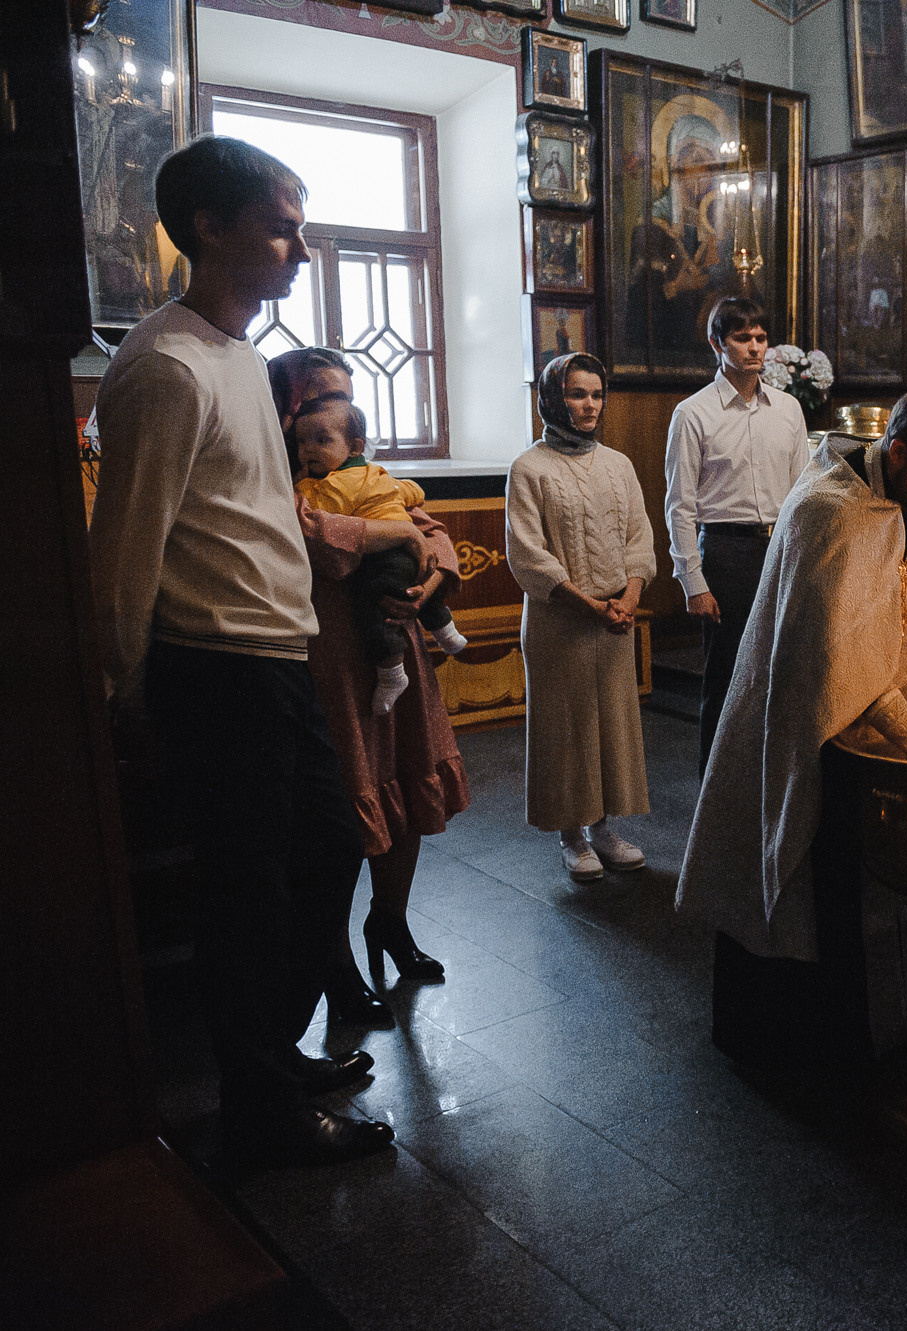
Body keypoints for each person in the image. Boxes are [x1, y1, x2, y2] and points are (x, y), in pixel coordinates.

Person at [89, 135, 403, 1167]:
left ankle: (275, 1049)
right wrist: (123, 691)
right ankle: (260, 1108)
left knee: (325, 849)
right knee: (246, 894)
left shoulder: (240, 360)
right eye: (282, 226)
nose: (301, 249)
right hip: (214, 670)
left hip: (278, 659)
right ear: (210, 230)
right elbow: (126, 547)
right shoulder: (166, 367)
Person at [676, 386, 907, 1067]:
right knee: (799, 882)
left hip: (861, 721)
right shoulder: (825, 512)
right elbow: (826, 663)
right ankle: (794, 1055)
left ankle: (858, 1036)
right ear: (896, 451)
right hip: (806, 724)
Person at [269, 347, 471, 1020]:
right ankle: (333, 962)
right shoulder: (284, 475)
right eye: (319, 400)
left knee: (408, 787)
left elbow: (429, 531)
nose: (332, 414)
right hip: (331, 653)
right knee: (346, 807)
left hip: (397, 641)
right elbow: (321, 543)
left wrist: (431, 576)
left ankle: (390, 920)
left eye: (344, 402)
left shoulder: (360, 471)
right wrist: (392, 533)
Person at [506, 352, 658, 883]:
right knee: (567, 727)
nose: (589, 405)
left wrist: (629, 598)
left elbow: (639, 537)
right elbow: (528, 554)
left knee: (612, 723)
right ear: (553, 398)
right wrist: (590, 606)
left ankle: (606, 829)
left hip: (615, 616)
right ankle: (572, 836)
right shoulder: (530, 467)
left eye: (596, 394)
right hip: (561, 620)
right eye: (577, 394)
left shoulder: (618, 463)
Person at [662, 297, 811, 772]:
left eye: (760, 338)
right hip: (724, 553)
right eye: (741, 339)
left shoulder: (787, 409)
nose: (753, 348)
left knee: (780, 674)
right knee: (725, 680)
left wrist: (803, 561)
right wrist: (693, 581)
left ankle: (766, 782)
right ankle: (715, 788)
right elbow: (680, 505)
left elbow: (802, 491)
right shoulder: (693, 413)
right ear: (716, 344)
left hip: (780, 549)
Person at [292, 398, 467, 716]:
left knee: (374, 601)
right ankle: (446, 631)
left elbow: (433, 534)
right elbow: (316, 530)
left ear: (354, 445)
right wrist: (406, 531)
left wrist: (426, 587)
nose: (308, 450)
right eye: (302, 441)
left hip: (381, 571)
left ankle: (391, 671)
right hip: (332, 629)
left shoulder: (327, 486)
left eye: (321, 440)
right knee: (399, 588)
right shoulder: (376, 474)